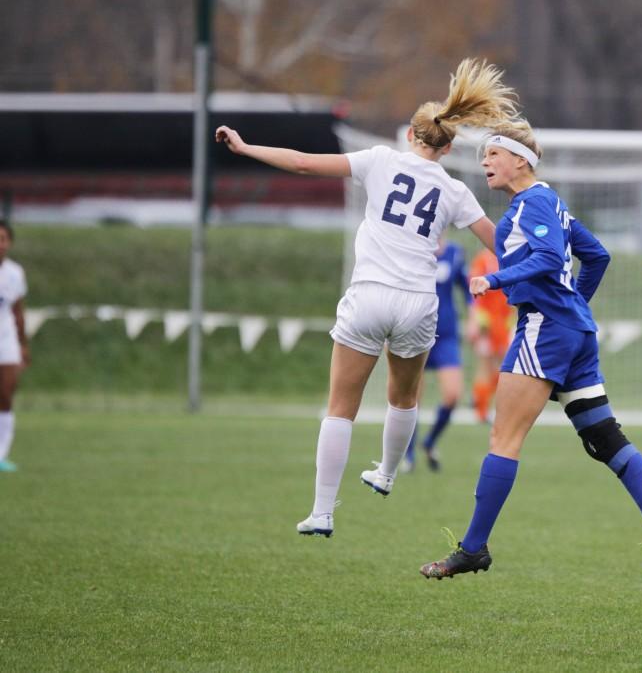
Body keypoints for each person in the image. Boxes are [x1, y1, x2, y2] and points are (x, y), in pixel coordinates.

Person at [216, 58, 517, 538]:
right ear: (448, 145)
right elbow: (497, 242)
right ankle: (387, 473)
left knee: (340, 406)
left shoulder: (379, 160)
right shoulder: (455, 189)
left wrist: (245, 146)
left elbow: (300, 162)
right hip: (419, 301)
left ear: (411, 137)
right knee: (405, 397)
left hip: (370, 294)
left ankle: (321, 511)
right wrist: (544, 261)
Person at [419, 122, 642, 588]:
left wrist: (495, 280)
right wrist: (576, 304)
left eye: (493, 154)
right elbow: (597, 255)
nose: (485, 163)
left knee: (504, 438)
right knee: (604, 437)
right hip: (573, 331)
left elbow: (544, 256)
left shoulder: (535, 202)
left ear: (521, 160)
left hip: (545, 329)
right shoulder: (552, 203)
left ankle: (474, 548)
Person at [401, 237, 471, 472]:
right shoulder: (413, 250)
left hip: (447, 336)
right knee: (412, 399)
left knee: (453, 395)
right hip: (416, 332)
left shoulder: (454, 252)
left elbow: (467, 288)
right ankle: (407, 456)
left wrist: (473, 317)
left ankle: (429, 441)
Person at [466, 248, 512, 423]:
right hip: (485, 322)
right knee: (485, 366)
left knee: (502, 367)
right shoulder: (482, 260)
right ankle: (481, 411)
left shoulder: (509, 259)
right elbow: (472, 293)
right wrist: (474, 321)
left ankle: (480, 398)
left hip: (504, 322)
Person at [0, 221, 29, 473]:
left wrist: (23, 344)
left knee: (6, 396)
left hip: (5, 339)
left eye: (2, 238)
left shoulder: (14, 273)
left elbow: (18, 311)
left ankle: (1, 454)